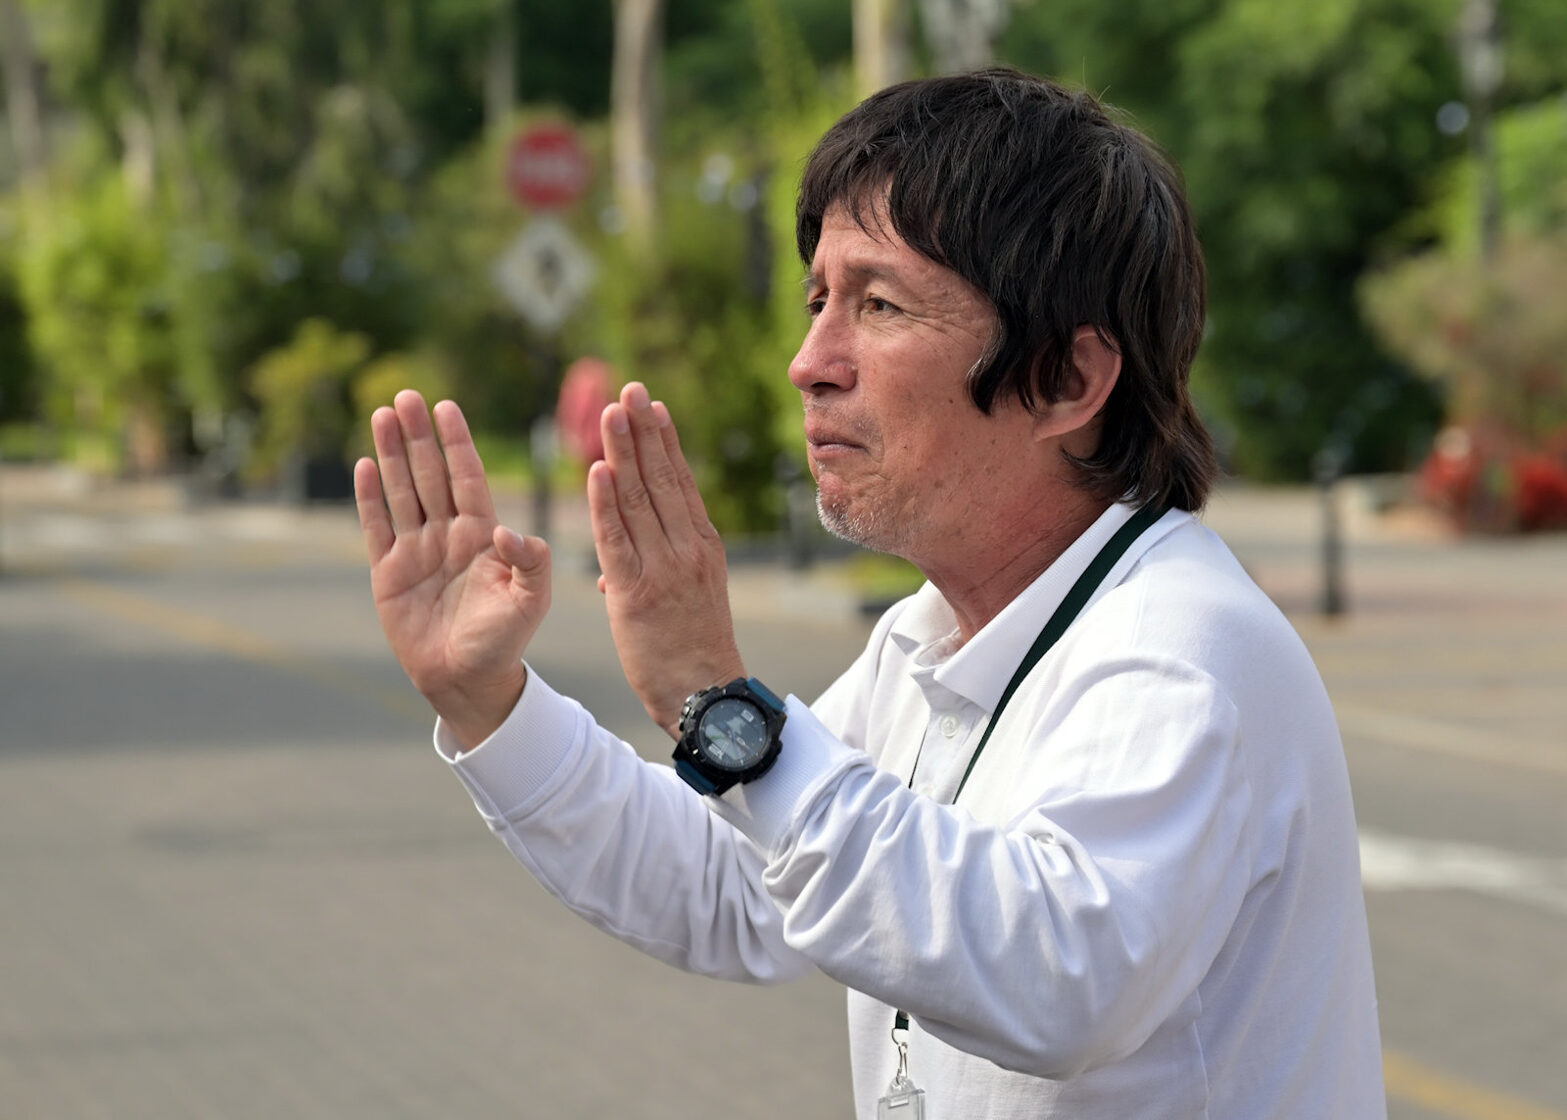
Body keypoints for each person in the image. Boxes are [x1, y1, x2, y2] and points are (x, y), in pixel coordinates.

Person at [353, 69, 1385, 1118]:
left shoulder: (1178, 646)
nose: (809, 362)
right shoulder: (931, 635)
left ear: (1067, 380)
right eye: (817, 302)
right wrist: (487, 699)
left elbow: (1062, 980)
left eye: (878, 304)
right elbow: (731, 885)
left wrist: (720, 703)